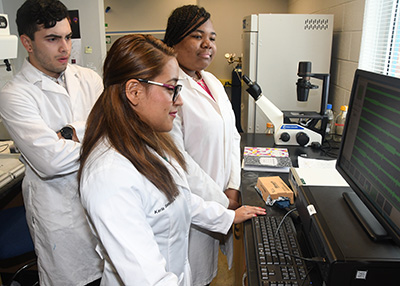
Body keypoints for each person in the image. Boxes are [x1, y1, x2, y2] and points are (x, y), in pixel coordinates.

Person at [77, 34, 265, 286]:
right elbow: (149, 280)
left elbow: (180, 198)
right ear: (134, 91)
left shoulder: (149, 142)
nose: (180, 100)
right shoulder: (109, 176)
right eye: (171, 88)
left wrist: (227, 217)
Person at [0, 0, 103, 285]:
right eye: (52, 39)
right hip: (60, 216)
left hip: (103, 202)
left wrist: (68, 133)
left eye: (68, 37)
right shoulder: (15, 95)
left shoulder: (90, 79)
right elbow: (50, 162)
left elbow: (112, 134)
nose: (65, 48)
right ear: (27, 43)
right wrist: (94, 134)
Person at [164, 5, 241, 285]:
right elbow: (178, 159)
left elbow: (233, 135)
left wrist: (233, 186)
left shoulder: (212, 81)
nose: (208, 44)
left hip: (222, 198)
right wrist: (222, 202)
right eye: (197, 36)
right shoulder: (168, 89)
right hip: (193, 205)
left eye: (212, 37)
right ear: (173, 42)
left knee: (207, 274)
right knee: (188, 275)